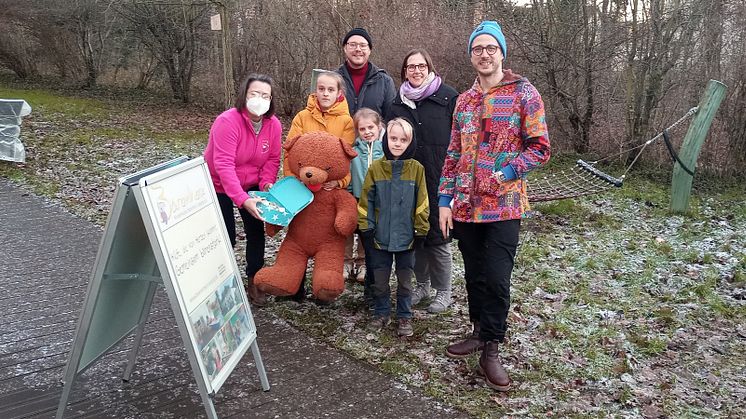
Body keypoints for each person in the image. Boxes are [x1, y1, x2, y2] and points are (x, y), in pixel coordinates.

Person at [438, 21, 550, 391]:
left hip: (504, 206)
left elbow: (540, 148)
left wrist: (505, 172)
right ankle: (477, 331)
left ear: (502, 52)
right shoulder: (464, 101)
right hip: (466, 207)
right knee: (475, 275)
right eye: (477, 49)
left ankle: (492, 348)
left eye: (491, 48)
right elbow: (452, 152)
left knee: (498, 279)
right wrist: (444, 199)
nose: (484, 54)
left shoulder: (524, 93)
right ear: (471, 55)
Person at [387, 48, 459, 314]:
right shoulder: (397, 103)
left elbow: (462, 139)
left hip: (441, 178)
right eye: (410, 67)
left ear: (430, 68)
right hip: (408, 181)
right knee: (415, 237)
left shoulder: (449, 97)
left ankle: (444, 291)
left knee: (439, 238)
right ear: (404, 71)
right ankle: (423, 285)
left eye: (421, 66)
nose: (416, 71)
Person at [204, 73, 282, 308]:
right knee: (225, 236)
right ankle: (220, 284)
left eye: (265, 95)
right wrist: (241, 199)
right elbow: (223, 164)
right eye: (254, 94)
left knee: (256, 232)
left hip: (252, 185)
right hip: (219, 184)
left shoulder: (274, 125)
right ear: (245, 95)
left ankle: (254, 280)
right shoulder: (228, 121)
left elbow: (273, 159)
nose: (260, 99)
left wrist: (267, 183)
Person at [283, 70, 355, 301]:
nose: (325, 93)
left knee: (326, 239)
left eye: (330, 90)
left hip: (328, 192)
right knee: (299, 235)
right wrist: (293, 180)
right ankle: (294, 285)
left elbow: (348, 157)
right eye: (321, 89)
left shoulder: (346, 121)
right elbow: (290, 151)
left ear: (339, 93)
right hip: (302, 187)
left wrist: (340, 182)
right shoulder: (302, 117)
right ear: (315, 91)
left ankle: (322, 288)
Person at [358, 118, 429, 337]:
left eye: (403, 140)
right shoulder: (376, 168)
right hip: (379, 237)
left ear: (410, 142)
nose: (397, 143)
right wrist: (366, 228)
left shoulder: (417, 169)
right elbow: (366, 200)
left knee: (405, 282)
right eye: (393, 138)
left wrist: (421, 230)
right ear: (386, 139)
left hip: (407, 238)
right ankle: (381, 312)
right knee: (379, 281)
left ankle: (404, 315)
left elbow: (422, 202)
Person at [347, 108, 385, 302]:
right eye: (362, 129)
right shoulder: (354, 150)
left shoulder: (385, 149)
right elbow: (351, 177)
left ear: (379, 127)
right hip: (360, 203)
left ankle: (378, 286)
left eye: (371, 127)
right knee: (367, 243)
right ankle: (369, 290)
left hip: (380, 204)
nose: (367, 132)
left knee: (378, 248)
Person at [337, 28, 396, 119]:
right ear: (345, 48)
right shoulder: (333, 79)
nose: (358, 49)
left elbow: (391, 119)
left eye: (363, 45)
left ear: (369, 50)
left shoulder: (385, 82)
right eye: (352, 45)